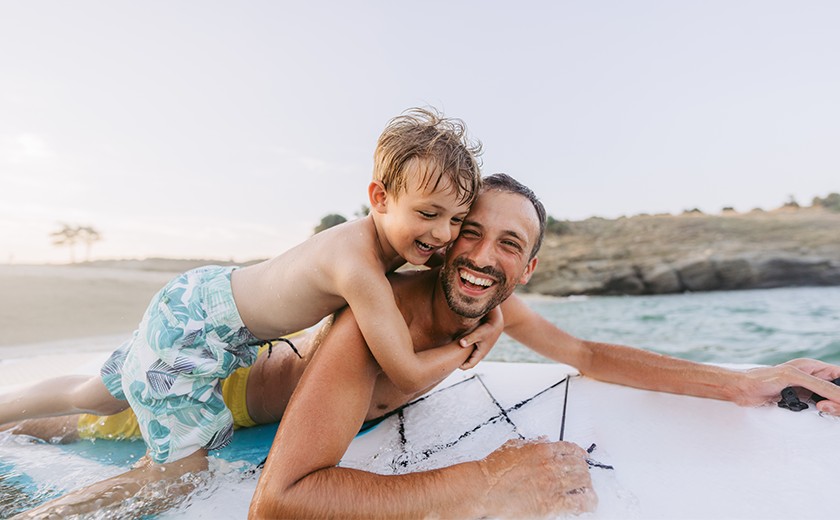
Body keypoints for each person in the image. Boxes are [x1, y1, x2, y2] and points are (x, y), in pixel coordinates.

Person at [8, 174, 840, 518]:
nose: (484, 254)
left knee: (86, 400)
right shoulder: (381, 326)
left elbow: (587, 355)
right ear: (441, 241)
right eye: (469, 233)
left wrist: (741, 384)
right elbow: (280, 498)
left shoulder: (493, 311)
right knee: (103, 420)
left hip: (215, 354)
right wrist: (481, 482)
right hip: (221, 392)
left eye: (510, 243)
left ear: (529, 263)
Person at [0, 107, 504, 515]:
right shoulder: (359, 268)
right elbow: (405, 371)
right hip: (196, 334)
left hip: (196, 300)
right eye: (429, 214)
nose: (443, 235)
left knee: (96, 395)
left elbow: (464, 285)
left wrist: (496, 312)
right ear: (379, 198)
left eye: (458, 219)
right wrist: (472, 343)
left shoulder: (389, 246)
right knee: (176, 479)